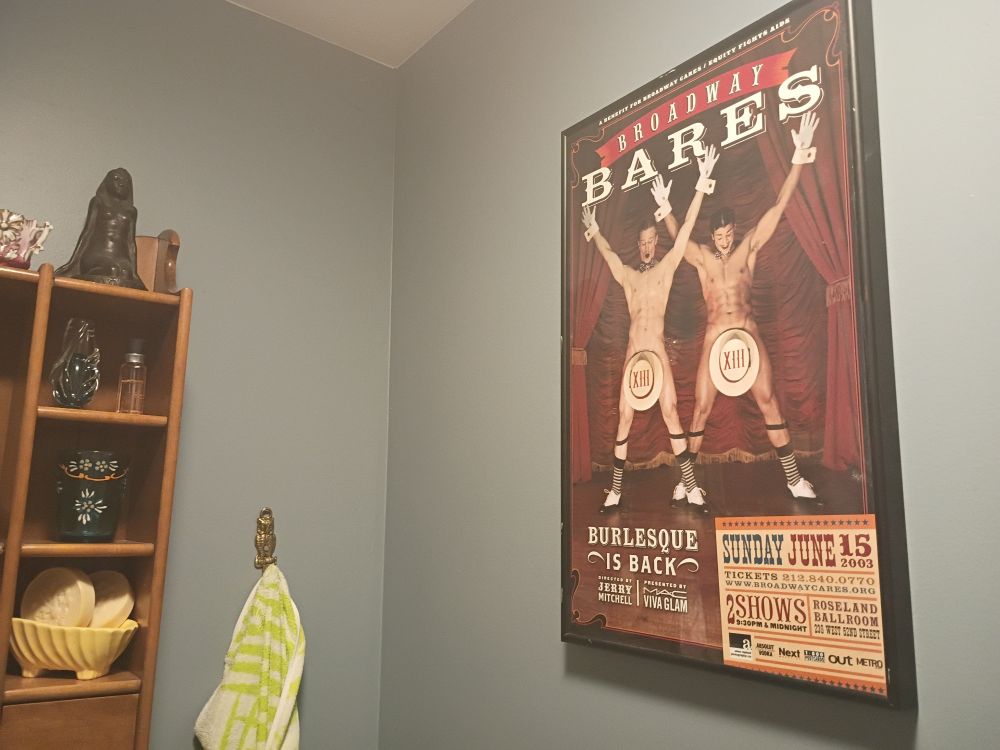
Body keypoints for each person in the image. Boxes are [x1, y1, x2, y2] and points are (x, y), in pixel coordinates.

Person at [654, 112, 821, 504]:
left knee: (768, 402)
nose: (726, 240)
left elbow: (779, 206)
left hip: (747, 333)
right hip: (714, 340)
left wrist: (797, 157)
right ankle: (689, 481)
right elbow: (678, 240)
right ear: (712, 236)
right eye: (720, 235)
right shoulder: (704, 260)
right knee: (700, 411)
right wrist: (665, 207)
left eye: (729, 234)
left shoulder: (748, 248)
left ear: (734, 232)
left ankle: (794, 479)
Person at [582, 146, 719, 514]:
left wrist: (702, 186)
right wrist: (594, 230)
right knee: (624, 419)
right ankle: (614, 491)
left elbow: (687, 229)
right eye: (640, 242)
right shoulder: (627, 277)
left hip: (656, 351)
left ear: (656, 241)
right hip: (633, 356)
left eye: (649, 241)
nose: (644, 247)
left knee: (672, 413)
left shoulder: (664, 270)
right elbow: (609, 253)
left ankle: (690, 488)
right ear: (638, 244)